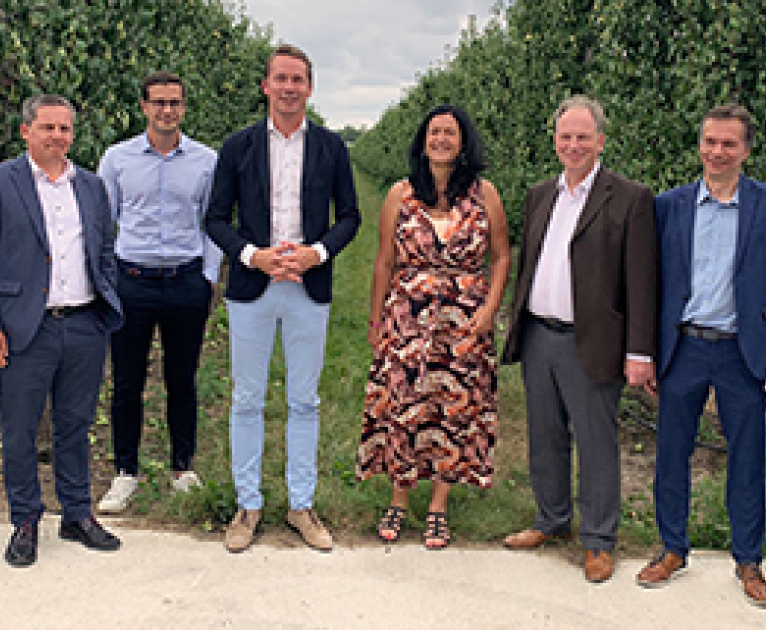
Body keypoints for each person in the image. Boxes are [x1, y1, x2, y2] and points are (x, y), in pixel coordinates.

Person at [635, 104, 766, 609]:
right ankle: (672, 548)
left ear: (746, 149)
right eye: (710, 141)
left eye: (729, 143)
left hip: (743, 352)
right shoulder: (670, 206)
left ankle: (748, 560)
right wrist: (647, 351)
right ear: (700, 145)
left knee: (747, 459)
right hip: (682, 348)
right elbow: (650, 284)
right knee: (672, 453)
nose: (718, 151)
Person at [205, 43, 360, 553]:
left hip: (307, 289)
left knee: (304, 401)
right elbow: (216, 219)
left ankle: (301, 505)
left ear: (309, 88)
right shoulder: (238, 146)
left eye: (298, 80)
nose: (289, 88)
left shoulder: (331, 147)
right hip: (253, 288)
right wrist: (255, 257)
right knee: (247, 399)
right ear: (266, 86)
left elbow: (349, 217)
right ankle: (247, 506)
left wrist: (317, 254)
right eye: (281, 78)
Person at [501, 95, 658, 583]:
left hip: (591, 340)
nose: (574, 145)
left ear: (600, 141)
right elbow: (528, 262)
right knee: (544, 436)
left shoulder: (629, 198)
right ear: (555, 142)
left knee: (595, 441)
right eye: (566, 137)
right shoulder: (540, 195)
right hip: (539, 336)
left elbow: (641, 281)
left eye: (583, 137)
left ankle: (598, 539)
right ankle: (551, 519)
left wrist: (639, 351)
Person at [0, 94, 124, 568]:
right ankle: (25, 520)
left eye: (64, 128)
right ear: (26, 131)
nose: (57, 136)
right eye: (47, 127)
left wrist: (105, 303)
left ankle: (76, 513)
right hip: (24, 327)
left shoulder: (91, 186)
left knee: (75, 424)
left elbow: (104, 250)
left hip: (83, 324)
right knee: (20, 428)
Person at [358, 104, 510, 549]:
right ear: (423, 142)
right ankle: (399, 498)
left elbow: (501, 256)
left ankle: (439, 506)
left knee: (453, 411)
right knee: (403, 404)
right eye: (434, 132)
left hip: (464, 320)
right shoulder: (400, 194)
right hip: (408, 316)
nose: (441, 139)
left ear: (463, 143)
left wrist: (490, 310)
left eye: (450, 132)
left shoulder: (485, 195)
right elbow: (385, 261)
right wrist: (376, 319)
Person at [95, 71, 221, 513]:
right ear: (144, 107)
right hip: (132, 281)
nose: (168, 111)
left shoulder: (206, 160)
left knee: (182, 379)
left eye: (175, 103)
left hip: (186, 281)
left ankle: (183, 468)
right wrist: (107, 279)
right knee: (126, 381)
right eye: (159, 103)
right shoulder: (117, 159)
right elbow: (102, 222)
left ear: (184, 107)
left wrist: (208, 276)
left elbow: (214, 221)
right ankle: (125, 472)